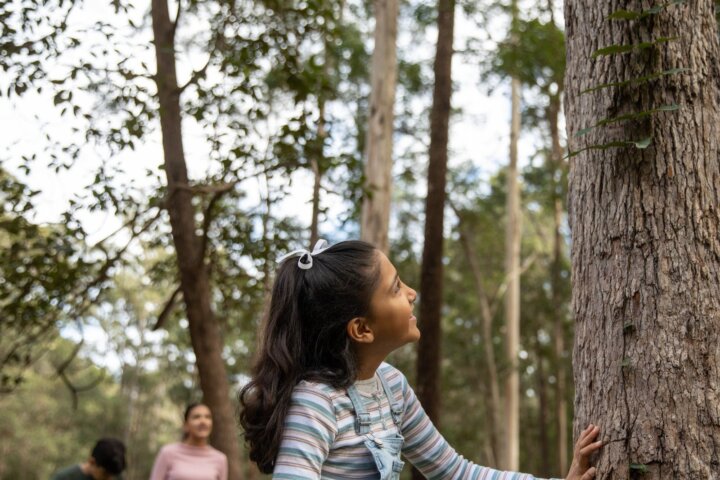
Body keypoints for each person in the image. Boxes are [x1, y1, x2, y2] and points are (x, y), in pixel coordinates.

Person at [239, 239, 603, 479]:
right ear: (362, 329)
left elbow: (455, 472)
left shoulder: (391, 387)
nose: (411, 293)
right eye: (396, 288)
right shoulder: (316, 402)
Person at [149, 402, 228, 480]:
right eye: (196, 417)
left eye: (207, 417)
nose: (203, 421)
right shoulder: (167, 453)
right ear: (186, 425)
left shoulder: (220, 459)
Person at [50, 438, 126, 480]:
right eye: (105, 474)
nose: (110, 479)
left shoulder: (116, 476)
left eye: (112, 475)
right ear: (92, 462)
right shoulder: (64, 478)